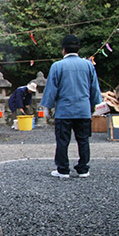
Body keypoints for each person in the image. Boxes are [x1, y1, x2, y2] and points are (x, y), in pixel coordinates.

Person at [40, 34, 102, 179]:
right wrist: (94, 104)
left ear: (63, 50)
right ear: (78, 49)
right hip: (83, 109)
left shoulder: (57, 66)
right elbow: (94, 88)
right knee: (83, 140)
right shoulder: (88, 65)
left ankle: (63, 169)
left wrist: (47, 107)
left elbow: (51, 89)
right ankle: (83, 169)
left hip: (64, 110)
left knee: (62, 141)